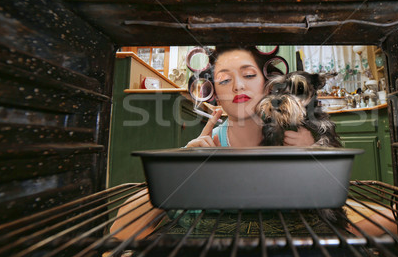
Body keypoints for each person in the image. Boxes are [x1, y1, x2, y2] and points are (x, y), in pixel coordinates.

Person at [111, 46, 315, 240]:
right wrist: (181, 171)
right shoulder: (200, 151)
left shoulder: (298, 140)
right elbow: (121, 231)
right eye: (224, 80)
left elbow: (339, 216)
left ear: (268, 85)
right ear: (215, 94)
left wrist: (311, 158)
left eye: (249, 75)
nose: (238, 86)